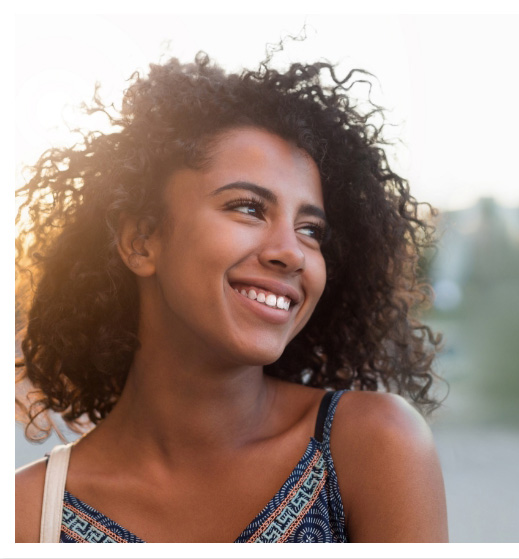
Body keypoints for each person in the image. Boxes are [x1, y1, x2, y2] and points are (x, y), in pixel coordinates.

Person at [14, 50, 447, 543]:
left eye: (311, 230)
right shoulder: (27, 517)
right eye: (248, 208)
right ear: (141, 241)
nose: (292, 252)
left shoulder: (371, 446)